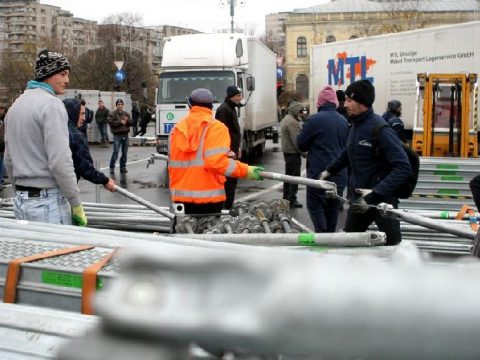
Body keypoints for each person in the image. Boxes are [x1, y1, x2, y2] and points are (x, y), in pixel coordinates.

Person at [320, 80, 411, 245]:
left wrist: (375, 193)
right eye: (345, 100)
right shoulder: (355, 126)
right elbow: (349, 152)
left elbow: (403, 168)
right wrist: (329, 171)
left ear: (362, 103)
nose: (345, 104)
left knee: (392, 249)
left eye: (349, 100)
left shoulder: (381, 130)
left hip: (382, 202)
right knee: (349, 245)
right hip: (359, 200)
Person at [4, 49, 87, 226]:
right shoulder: (52, 105)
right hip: (48, 203)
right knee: (60, 254)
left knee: (32, 253)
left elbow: (9, 160)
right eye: (62, 74)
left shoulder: (15, 107)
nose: (67, 80)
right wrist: (75, 202)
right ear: (47, 74)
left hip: (21, 202)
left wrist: (17, 189)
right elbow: (60, 161)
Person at [168, 88, 263, 215]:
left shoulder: (176, 129)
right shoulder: (216, 128)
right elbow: (217, 163)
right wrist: (247, 170)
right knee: (208, 233)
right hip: (208, 198)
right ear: (211, 106)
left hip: (180, 198)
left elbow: (177, 161)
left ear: (189, 104)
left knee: (183, 232)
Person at [298, 86, 349, 232]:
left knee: (315, 207)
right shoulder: (343, 121)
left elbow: (301, 144)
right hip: (339, 176)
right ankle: (330, 238)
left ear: (319, 103)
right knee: (332, 209)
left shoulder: (314, 120)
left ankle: (322, 239)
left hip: (318, 174)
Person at [63, 98, 116, 192]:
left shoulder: (50, 131)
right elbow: (86, 169)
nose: (84, 118)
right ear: (72, 113)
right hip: (63, 191)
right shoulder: (77, 136)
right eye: (82, 113)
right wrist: (105, 180)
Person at [215, 85, 244, 210]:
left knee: (232, 182)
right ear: (232, 96)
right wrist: (229, 151)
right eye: (238, 95)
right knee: (229, 183)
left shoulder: (231, 108)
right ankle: (225, 210)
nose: (240, 98)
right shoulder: (224, 109)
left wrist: (238, 148)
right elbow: (221, 133)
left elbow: (234, 132)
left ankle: (227, 208)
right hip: (227, 154)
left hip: (232, 151)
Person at [280, 101, 307, 208]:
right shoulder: (292, 122)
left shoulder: (286, 119)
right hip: (293, 153)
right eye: (301, 112)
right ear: (296, 111)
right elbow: (296, 141)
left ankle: (286, 198)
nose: (302, 114)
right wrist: (304, 153)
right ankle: (292, 199)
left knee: (288, 176)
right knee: (294, 177)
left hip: (287, 152)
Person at [108, 99, 132, 174]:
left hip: (125, 135)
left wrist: (127, 121)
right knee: (116, 152)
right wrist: (120, 122)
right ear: (116, 105)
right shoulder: (112, 114)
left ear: (123, 105)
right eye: (118, 104)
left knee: (124, 152)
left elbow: (132, 123)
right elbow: (111, 123)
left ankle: (123, 167)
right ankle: (112, 167)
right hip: (117, 135)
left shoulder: (127, 114)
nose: (120, 105)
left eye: (121, 104)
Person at [0, 105, 6, 190]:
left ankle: (0, 180)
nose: (2, 111)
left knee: (1, 164)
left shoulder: (1, 121)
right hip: (0, 145)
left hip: (1, 146)